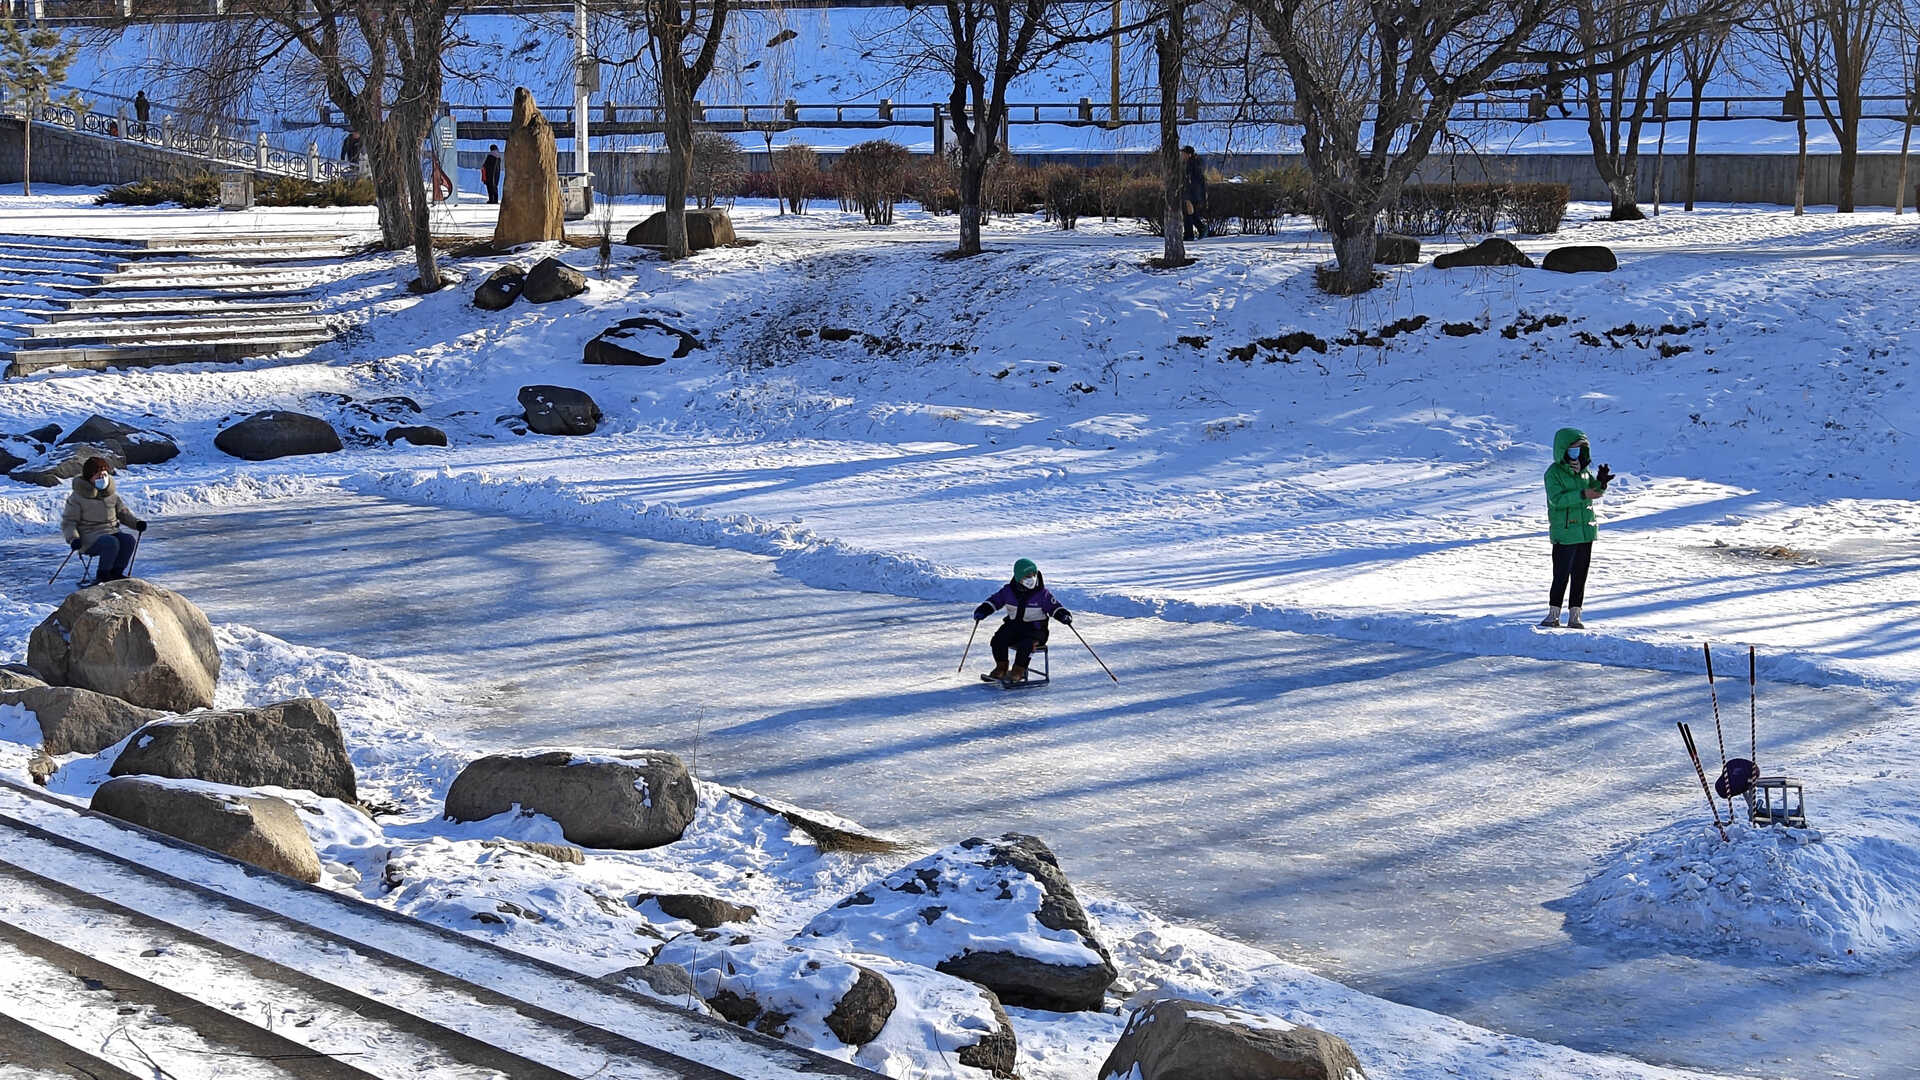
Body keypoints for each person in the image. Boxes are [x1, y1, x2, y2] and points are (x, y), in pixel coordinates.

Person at [1540, 428, 1612, 629]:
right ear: (1563, 449)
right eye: (1573, 449)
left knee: (1580, 575)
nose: (1576, 453)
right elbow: (1557, 500)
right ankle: (1553, 614)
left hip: (1585, 532)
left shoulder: (1583, 472)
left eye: (1580, 449)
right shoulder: (1553, 473)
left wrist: (1601, 482)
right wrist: (1583, 494)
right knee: (1561, 574)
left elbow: (1594, 491)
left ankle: (1575, 616)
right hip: (1565, 533)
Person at [973, 558, 1073, 684]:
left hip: (1036, 630)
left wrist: (1063, 615)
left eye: (1033, 575)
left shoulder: (1042, 594)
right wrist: (983, 610)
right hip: (1014, 626)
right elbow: (994, 601)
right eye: (1027, 576)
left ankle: (1018, 672)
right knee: (998, 639)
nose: (1031, 578)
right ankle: (1001, 668)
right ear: (1018, 577)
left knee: (1026, 645)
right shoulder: (1008, 591)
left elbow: (1055, 607)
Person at [61, 457, 147, 587]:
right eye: (99, 476)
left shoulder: (112, 495)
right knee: (110, 542)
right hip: (89, 538)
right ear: (90, 477)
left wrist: (136, 523)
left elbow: (123, 513)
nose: (103, 478)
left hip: (111, 531)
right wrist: (73, 539)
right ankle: (103, 576)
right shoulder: (77, 498)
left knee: (128, 540)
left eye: (105, 475)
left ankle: (116, 573)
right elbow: (69, 522)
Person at [1181, 145, 1208, 241]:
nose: (1182, 155)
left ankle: (1193, 232)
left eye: (1183, 153)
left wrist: (1188, 195)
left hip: (1192, 194)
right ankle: (1192, 233)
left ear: (1189, 154)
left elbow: (1194, 181)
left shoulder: (1192, 165)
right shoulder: (1191, 163)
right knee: (1191, 214)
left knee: (1189, 214)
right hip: (1192, 193)